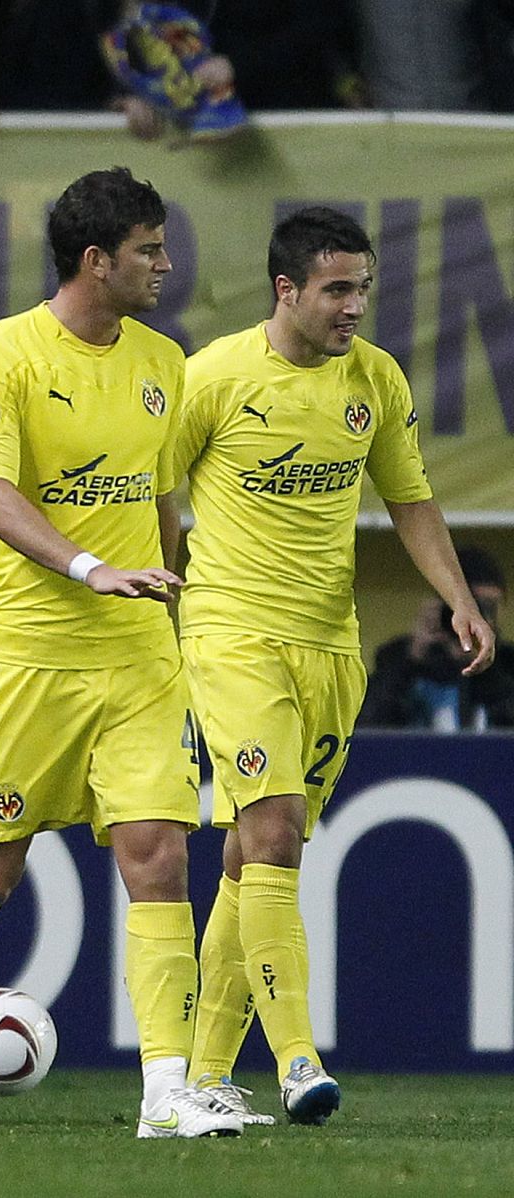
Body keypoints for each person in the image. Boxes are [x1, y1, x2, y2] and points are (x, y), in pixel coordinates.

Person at [0, 167, 239, 1139]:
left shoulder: (163, 362)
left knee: (158, 857)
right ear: (96, 261)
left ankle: (165, 1093)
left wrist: (171, 589)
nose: (165, 267)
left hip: (136, 655)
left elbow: (159, 498)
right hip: (30, 657)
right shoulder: (0, 357)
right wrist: (89, 566)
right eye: (148, 251)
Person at [171, 207, 496, 1125]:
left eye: (363, 287)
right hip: (233, 634)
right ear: (287, 289)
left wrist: (461, 596)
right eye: (338, 289)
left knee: (253, 852)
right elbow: (158, 491)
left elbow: (411, 499)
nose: (356, 306)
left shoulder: (375, 380)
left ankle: (203, 1075)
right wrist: (164, 595)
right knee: (271, 829)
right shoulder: (216, 378)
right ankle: (297, 1060)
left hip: (331, 646)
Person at [361, 546, 514, 730]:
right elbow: (367, 729)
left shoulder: (508, 663)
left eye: (489, 607)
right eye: (472, 605)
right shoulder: (399, 656)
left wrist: (484, 667)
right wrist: (410, 662)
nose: (477, 616)